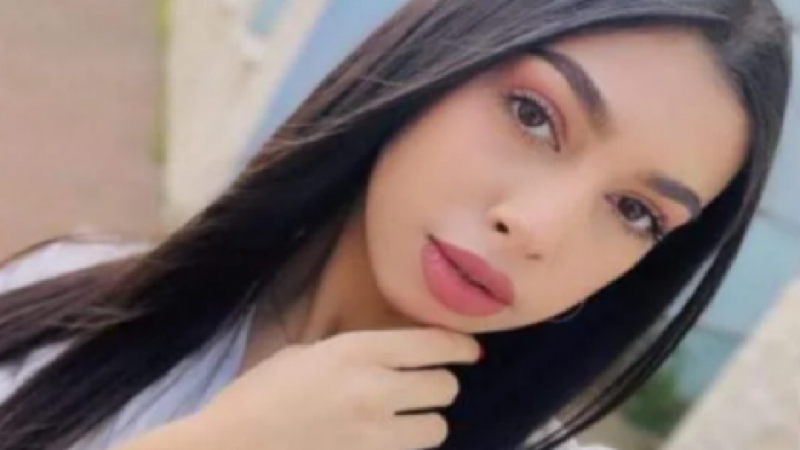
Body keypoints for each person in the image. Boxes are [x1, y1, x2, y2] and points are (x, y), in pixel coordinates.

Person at [0, 0, 792, 449]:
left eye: (636, 213)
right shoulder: (66, 301)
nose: (537, 228)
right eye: (532, 115)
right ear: (433, 66)